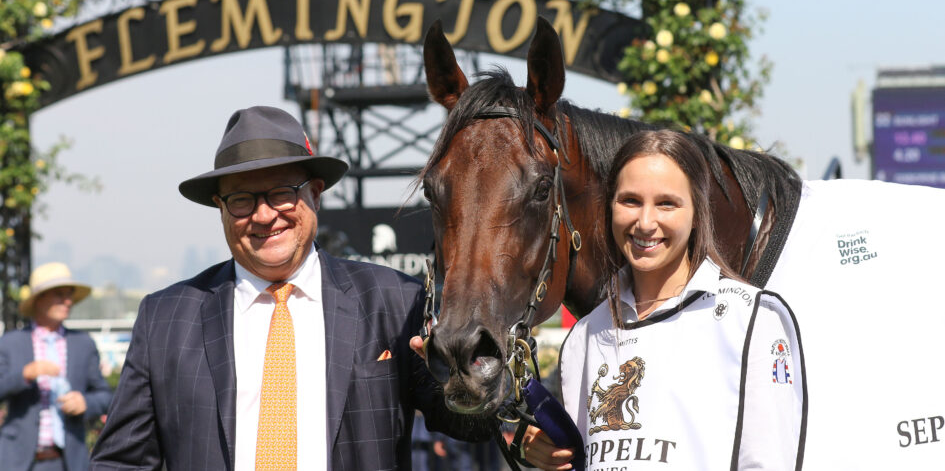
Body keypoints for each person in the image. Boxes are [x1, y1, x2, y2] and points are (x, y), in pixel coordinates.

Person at [90, 106, 489, 470]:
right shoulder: (166, 320)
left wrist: (457, 376)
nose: (264, 215)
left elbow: (470, 424)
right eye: (242, 200)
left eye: (282, 193)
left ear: (315, 193)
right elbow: (121, 462)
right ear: (220, 207)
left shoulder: (394, 302)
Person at [523, 130, 806, 470]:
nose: (645, 222)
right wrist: (548, 453)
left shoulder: (750, 319)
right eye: (630, 201)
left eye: (666, 203)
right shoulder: (584, 335)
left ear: (698, 213)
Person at [0, 262, 113, 471]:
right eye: (59, 294)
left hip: (69, 461)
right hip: (19, 461)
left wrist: (85, 403)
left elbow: (106, 396)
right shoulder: (11, 342)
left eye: (69, 295)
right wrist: (24, 375)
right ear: (39, 299)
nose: (67, 301)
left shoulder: (83, 343)